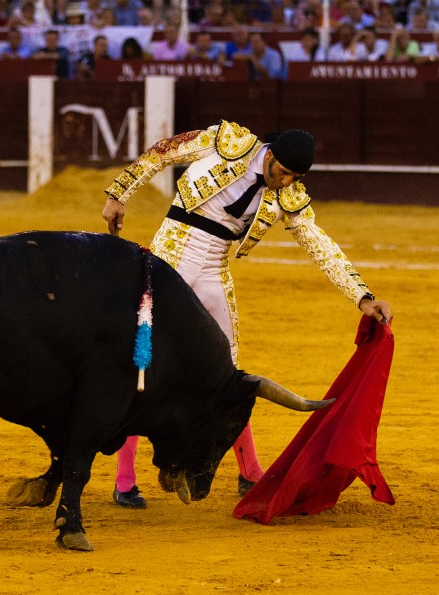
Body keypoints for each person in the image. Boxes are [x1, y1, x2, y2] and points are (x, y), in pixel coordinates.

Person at [101, 124, 393, 508]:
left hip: (213, 270)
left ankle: (250, 472)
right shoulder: (228, 142)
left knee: (230, 376)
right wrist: (119, 193)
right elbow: (164, 151)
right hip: (169, 258)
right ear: (270, 156)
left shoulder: (289, 195)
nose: (286, 181)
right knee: (142, 365)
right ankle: (125, 480)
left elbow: (319, 243)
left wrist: (362, 296)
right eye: (284, 172)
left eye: (296, 177)